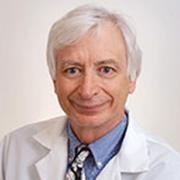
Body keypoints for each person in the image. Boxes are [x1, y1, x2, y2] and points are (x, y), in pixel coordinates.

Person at [0, 4, 180, 180]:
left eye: (106, 69)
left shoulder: (167, 169)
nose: (87, 90)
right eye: (72, 70)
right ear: (54, 80)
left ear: (132, 79)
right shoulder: (13, 150)